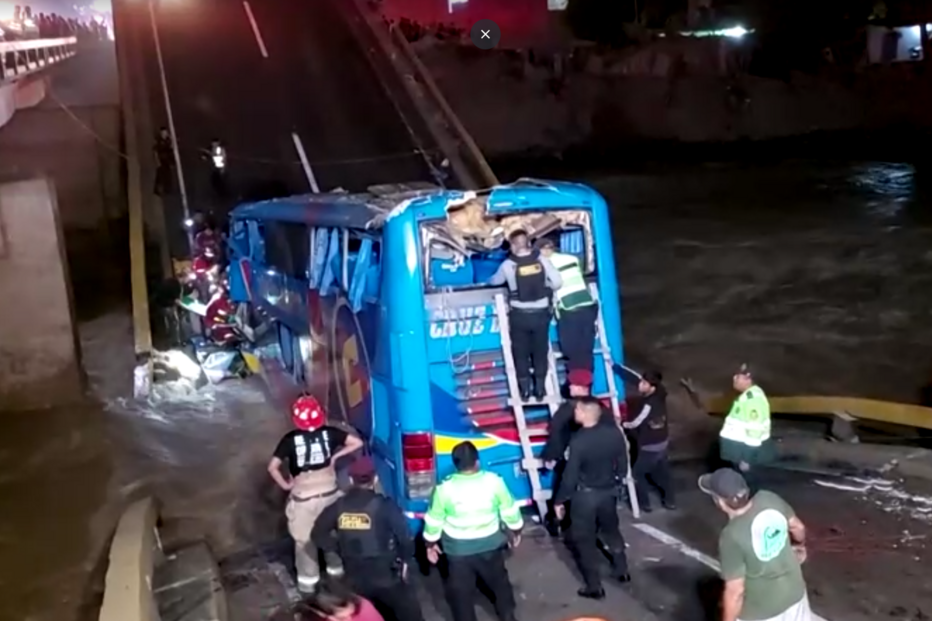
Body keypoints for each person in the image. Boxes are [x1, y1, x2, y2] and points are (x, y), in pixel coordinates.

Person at [267, 395, 364, 593]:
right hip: (330, 494)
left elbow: (272, 467)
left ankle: (308, 587)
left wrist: (286, 486)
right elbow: (357, 443)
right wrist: (335, 457)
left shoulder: (289, 439)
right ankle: (338, 579)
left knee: (304, 542)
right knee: (333, 536)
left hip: (303, 499)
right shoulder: (331, 433)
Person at [311, 456, 424, 621]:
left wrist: (339, 548)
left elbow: (317, 534)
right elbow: (405, 538)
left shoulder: (338, 507)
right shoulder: (385, 506)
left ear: (350, 479)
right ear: (375, 478)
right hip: (386, 575)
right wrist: (405, 560)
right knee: (409, 614)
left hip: (354, 577)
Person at [423, 441, 523, 621]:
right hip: (490, 547)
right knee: (499, 583)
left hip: (457, 552)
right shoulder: (494, 482)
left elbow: (433, 521)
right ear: (477, 462)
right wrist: (515, 531)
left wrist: (430, 545)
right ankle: (508, 615)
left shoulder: (443, 489)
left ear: (455, 465)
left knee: (460, 593)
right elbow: (510, 511)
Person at [699, 469, 811, 621]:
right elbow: (798, 528)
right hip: (795, 594)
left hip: (762, 611)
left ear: (719, 501)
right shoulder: (768, 498)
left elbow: (735, 591)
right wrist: (800, 544)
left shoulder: (731, 536)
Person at [554, 398, 631, 599]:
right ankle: (622, 569)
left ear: (586, 413)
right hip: (608, 493)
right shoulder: (614, 433)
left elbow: (570, 476)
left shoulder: (578, 441)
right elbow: (623, 459)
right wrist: (619, 478)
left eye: (578, 409)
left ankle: (594, 586)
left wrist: (559, 500)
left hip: (585, 498)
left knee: (584, 540)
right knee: (612, 530)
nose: (575, 412)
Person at [489, 229, 562, 400]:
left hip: (519, 315)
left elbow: (495, 281)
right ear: (528, 243)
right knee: (540, 351)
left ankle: (524, 390)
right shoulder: (542, 260)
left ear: (513, 246)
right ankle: (540, 389)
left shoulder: (508, 265)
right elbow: (558, 282)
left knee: (520, 352)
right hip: (540, 314)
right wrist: (545, 288)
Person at [536, 238, 598, 375]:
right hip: (588, 305)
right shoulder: (572, 258)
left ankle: (577, 384)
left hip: (569, 309)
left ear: (542, 251)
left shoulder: (543, 265)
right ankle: (586, 384)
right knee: (586, 349)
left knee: (570, 350)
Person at [624, 370, 675, 512]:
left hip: (650, 446)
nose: (640, 385)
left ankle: (644, 504)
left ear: (651, 387)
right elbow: (635, 378)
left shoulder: (648, 404)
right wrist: (617, 368)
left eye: (644, 383)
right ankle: (670, 500)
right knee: (662, 472)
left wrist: (621, 424)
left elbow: (636, 422)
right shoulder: (661, 393)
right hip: (663, 441)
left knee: (637, 474)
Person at [720, 364, 772, 491]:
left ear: (748, 379)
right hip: (739, 452)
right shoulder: (747, 396)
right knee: (741, 482)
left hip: (744, 454)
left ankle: (750, 506)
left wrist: (747, 459)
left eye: (738, 377)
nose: (734, 379)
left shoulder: (752, 400)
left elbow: (755, 431)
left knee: (748, 483)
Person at [294, 580, 385, 621]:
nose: (350, 620)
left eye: (352, 614)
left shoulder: (363, 607)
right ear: (322, 614)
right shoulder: (312, 617)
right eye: (342, 619)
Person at [154, 127, 173, 196]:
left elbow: (170, 149)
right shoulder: (159, 141)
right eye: (163, 133)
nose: (165, 134)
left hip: (167, 160)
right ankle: (157, 189)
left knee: (168, 174)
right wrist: (157, 161)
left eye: (166, 133)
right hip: (161, 160)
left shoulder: (168, 140)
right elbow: (155, 151)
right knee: (160, 175)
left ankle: (168, 189)